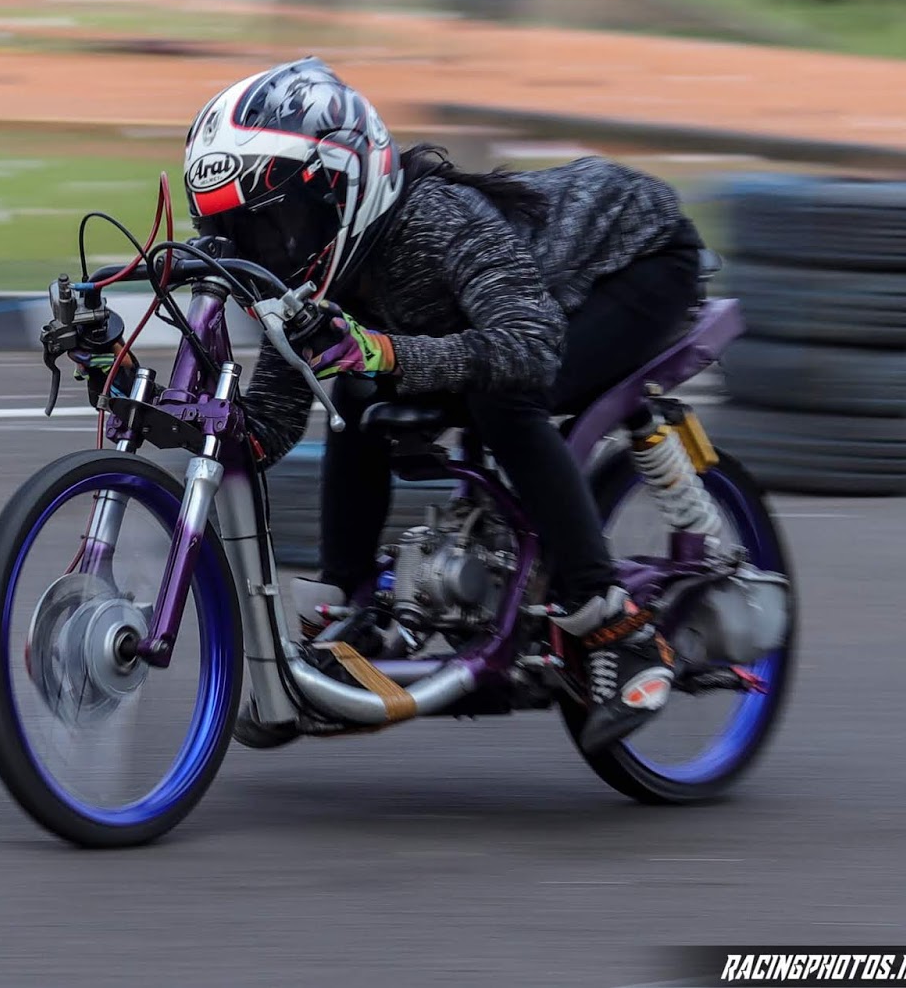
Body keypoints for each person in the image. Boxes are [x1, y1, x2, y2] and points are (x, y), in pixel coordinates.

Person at [183, 58, 706, 753]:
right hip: (531, 302)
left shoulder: (434, 221)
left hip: (640, 261)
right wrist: (165, 402)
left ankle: (612, 623)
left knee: (503, 398)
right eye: (241, 233)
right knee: (355, 389)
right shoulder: (309, 275)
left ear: (340, 188)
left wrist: (385, 352)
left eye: (274, 224)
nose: (264, 253)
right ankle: (350, 603)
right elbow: (269, 432)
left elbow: (528, 347)